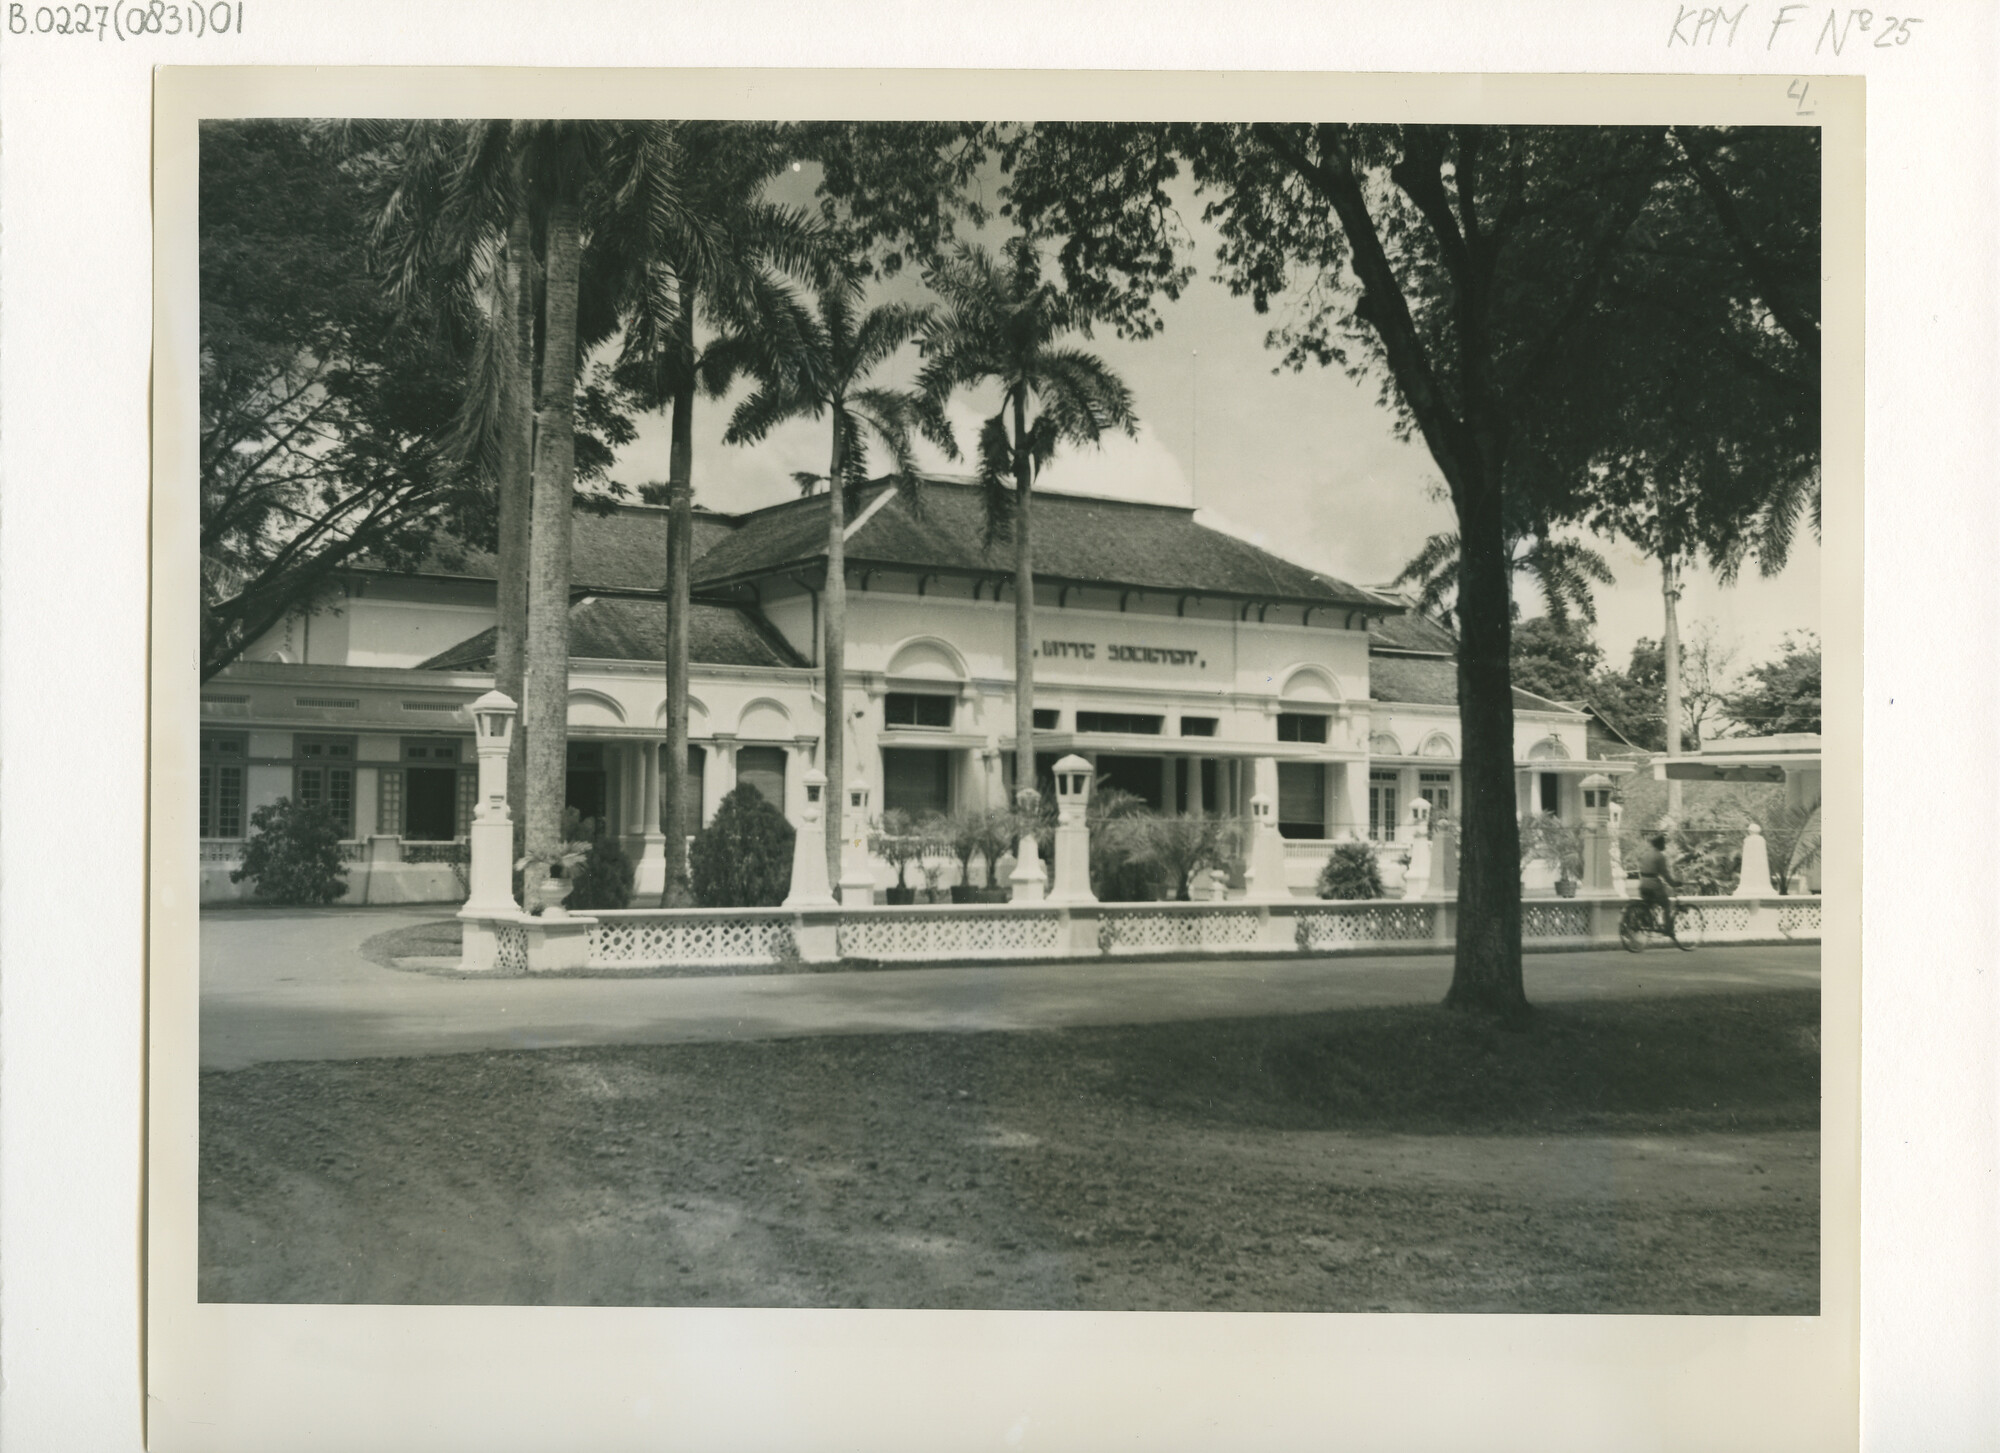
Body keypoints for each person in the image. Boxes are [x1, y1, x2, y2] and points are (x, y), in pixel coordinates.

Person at [1635, 832, 1693, 950]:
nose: (1665, 845)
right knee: (1666, 904)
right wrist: (1674, 883)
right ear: (1660, 844)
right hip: (1653, 885)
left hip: (1643, 884)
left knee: (1649, 904)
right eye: (1664, 843)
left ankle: (1644, 920)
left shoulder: (1645, 854)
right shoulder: (1659, 856)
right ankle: (1667, 929)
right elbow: (1665, 874)